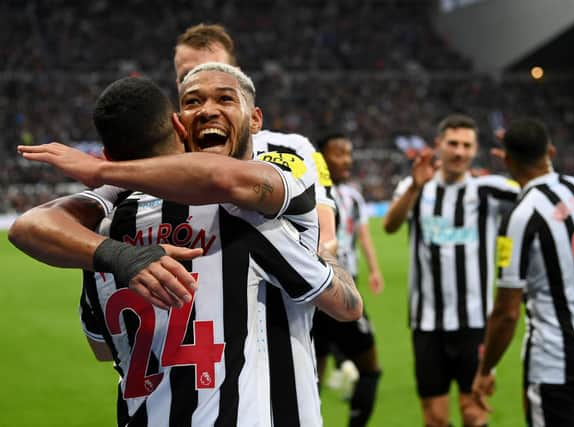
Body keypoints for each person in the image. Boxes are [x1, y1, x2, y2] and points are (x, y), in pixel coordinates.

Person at [13, 66, 362, 426]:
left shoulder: (98, 237)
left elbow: (101, 348)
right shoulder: (246, 216)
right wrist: (326, 251)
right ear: (180, 126)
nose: (208, 109)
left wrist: (105, 180)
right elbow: (345, 305)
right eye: (193, 101)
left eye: (224, 98)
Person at [471, 117, 574, 427]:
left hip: (555, 360)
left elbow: (506, 312)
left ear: (506, 160)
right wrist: (572, 285)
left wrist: (484, 370)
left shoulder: (521, 216)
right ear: (551, 152)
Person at [383, 114, 519, 427]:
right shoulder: (414, 187)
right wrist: (414, 189)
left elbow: (533, 194)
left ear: (475, 151)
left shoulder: (490, 190)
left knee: (474, 413)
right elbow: (390, 226)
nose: (459, 152)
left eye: (467, 145)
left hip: (475, 323)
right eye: (453, 144)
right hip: (427, 323)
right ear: (439, 146)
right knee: (434, 418)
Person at [175, 23, 337, 251]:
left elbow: (325, 237)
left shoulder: (293, 150)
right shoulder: (156, 159)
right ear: (178, 86)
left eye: (217, 72)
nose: (204, 80)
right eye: (188, 76)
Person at [312, 133, 384, 426]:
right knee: (311, 374)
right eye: (339, 153)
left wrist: (375, 269)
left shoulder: (353, 196)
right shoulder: (308, 192)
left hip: (347, 286)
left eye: (348, 153)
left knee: (366, 368)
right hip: (318, 290)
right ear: (321, 157)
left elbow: (362, 236)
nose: (347, 160)